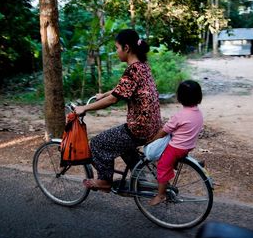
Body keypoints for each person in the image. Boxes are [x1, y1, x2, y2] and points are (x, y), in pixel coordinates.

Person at [74, 29, 162, 192]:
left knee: (97, 143)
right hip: (153, 125)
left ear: (126, 48)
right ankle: (140, 178)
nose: (116, 52)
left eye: (117, 48)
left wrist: (84, 108)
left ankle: (104, 181)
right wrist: (103, 94)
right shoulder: (142, 66)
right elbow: (120, 90)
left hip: (139, 128)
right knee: (121, 142)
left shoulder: (133, 69)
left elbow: (114, 99)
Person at [148, 80, 203, 206]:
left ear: (180, 97)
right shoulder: (198, 113)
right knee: (169, 159)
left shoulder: (180, 115)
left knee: (162, 165)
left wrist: (153, 140)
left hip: (176, 148)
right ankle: (175, 163)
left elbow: (164, 131)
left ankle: (160, 195)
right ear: (199, 96)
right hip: (188, 146)